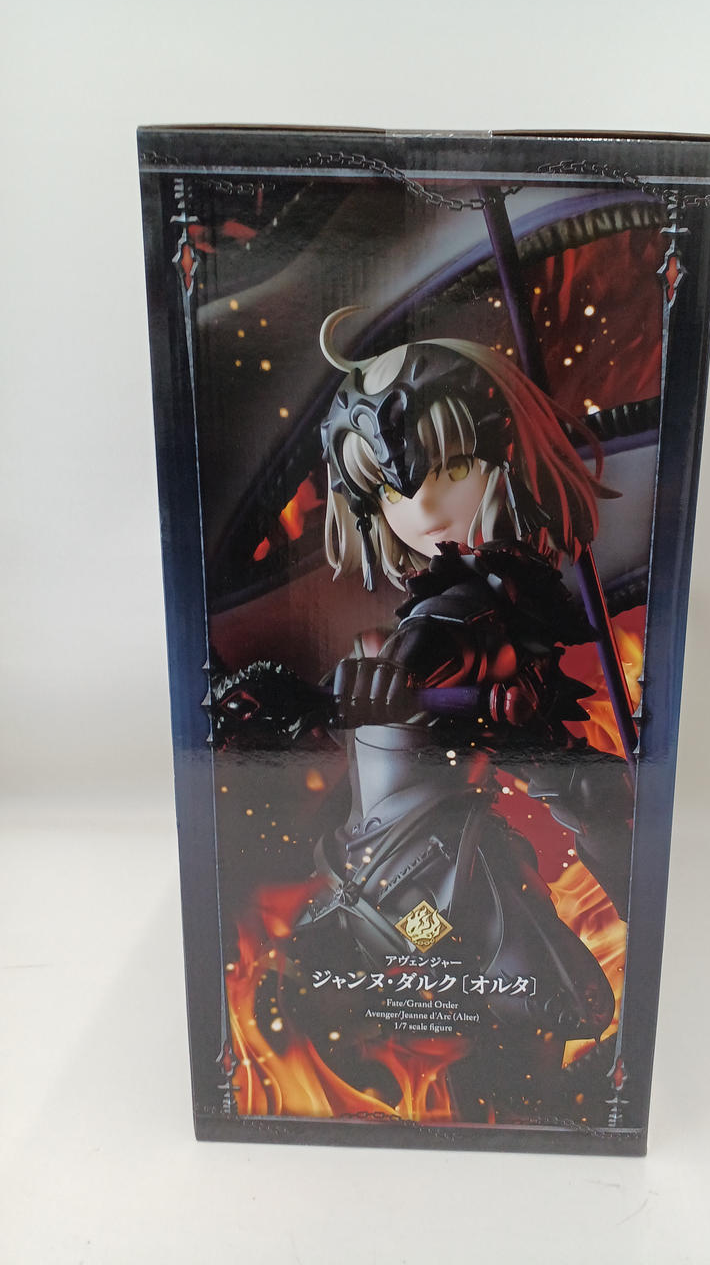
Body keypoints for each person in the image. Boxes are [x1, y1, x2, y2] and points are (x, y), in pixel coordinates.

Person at [215, 307, 634, 1122]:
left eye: (454, 465)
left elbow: (469, 682)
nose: (425, 505)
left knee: (589, 839)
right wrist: (370, 688)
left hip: (436, 874)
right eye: (391, 487)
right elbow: (421, 658)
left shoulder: (501, 592)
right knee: (551, 1001)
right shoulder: (445, 613)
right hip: (423, 888)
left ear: (506, 457)